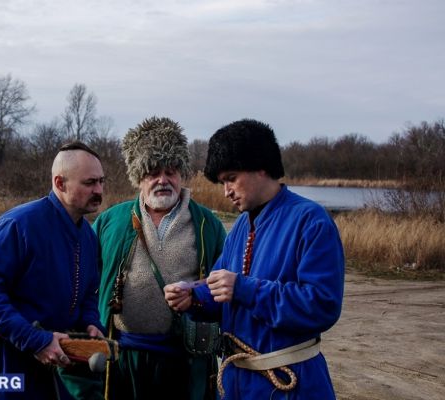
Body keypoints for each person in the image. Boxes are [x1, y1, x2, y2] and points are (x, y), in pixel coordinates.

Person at [164, 118, 345, 400]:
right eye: (222, 182)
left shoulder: (311, 221)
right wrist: (193, 298)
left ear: (261, 167)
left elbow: (322, 305)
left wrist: (244, 289)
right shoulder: (240, 227)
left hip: (291, 385)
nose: (226, 191)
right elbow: (221, 290)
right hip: (237, 384)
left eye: (231, 178)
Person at [0, 142, 106, 400]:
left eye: (101, 181)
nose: (99, 190)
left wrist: (90, 322)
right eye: (90, 183)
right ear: (60, 183)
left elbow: (88, 293)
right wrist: (34, 339)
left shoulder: (88, 236)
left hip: (53, 368)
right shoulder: (19, 224)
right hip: (8, 364)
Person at [91, 117, 226, 400]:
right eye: (153, 172)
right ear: (138, 177)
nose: (162, 180)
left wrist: (196, 294)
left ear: (182, 174)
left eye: (170, 171)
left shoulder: (207, 225)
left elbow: (225, 288)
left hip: (185, 362)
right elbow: (84, 283)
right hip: (123, 360)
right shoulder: (110, 221)